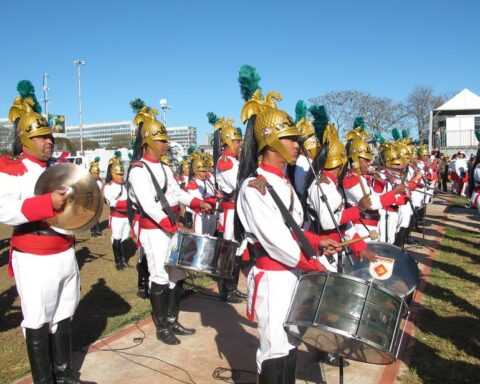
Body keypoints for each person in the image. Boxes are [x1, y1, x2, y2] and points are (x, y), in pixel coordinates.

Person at [236, 90, 341, 383]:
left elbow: (292, 228)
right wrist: (314, 264)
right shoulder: (254, 187)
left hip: (293, 272)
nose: (298, 144)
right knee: (274, 348)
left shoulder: (281, 182)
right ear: (270, 142)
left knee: (291, 340)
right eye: (291, 138)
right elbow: (277, 241)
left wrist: (317, 241)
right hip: (274, 276)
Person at [0, 93, 87, 383]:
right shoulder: (12, 168)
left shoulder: (57, 168)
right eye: (40, 136)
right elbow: (5, 210)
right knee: (38, 320)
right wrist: (46, 204)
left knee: (64, 314)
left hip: (64, 251)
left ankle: (64, 375)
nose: (49, 140)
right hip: (35, 256)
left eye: (49, 135)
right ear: (24, 139)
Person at [128, 106, 212, 345]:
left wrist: (198, 202)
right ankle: (162, 326)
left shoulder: (165, 167)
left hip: (171, 227)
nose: (166, 144)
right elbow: (150, 206)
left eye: (165, 139)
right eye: (161, 139)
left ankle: (173, 319)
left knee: (177, 273)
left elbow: (176, 193)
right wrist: (173, 227)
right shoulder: (138, 171)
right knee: (160, 275)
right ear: (147, 141)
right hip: (155, 231)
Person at [213, 117, 246, 304]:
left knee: (238, 249)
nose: (239, 144)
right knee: (230, 250)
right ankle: (226, 290)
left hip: (237, 208)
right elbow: (238, 183)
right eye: (236, 141)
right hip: (230, 209)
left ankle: (232, 287)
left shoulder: (235, 161)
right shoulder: (226, 161)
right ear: (227, 141)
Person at [103, 154, 130, 270]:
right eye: (119, 174)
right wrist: (127, 203)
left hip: (127, 217)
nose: (121, 176)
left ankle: (123, 259)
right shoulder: (109, 186)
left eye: (122, 174)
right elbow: (112, 202)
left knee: (125, 238)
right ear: (113, 173)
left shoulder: (125, 186)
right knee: (117, 238)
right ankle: (117, 261)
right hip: (117, 216)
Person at [88, 158, 103, 237]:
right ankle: (92, 231)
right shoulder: (87, 181)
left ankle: (97, 230)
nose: (97, 174)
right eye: (95, 173)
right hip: (91, 201)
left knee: (97, 216)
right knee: (91, 217)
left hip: (97, 201)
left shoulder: (99, 182)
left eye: (97, 173)